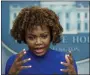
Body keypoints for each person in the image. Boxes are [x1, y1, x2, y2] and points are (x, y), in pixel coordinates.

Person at [5, 6, 78, 75]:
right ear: (24, 37)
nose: (38, 42)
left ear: (52, 35)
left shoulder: (66, 61)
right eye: (31, 37)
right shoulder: (14, 62)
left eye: (44, 36)